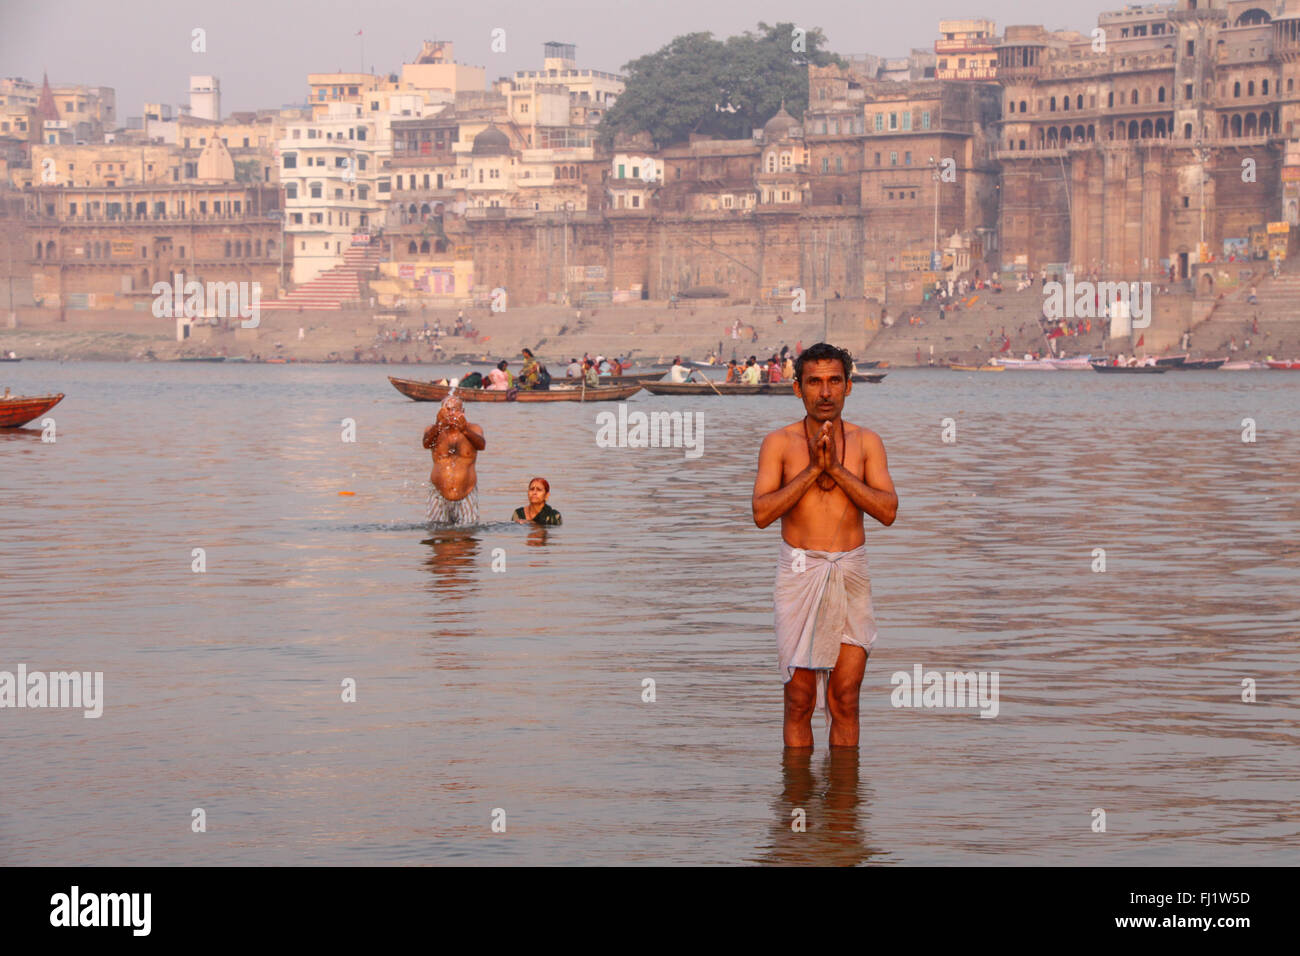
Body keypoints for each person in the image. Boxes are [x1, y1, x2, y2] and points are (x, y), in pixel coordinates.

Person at [751, 342, 898, 749]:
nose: (826, 392)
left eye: (835, 381)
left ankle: (841, 811)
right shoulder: (778, 444)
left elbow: (888, 511)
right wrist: (814, 470)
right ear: (798, 389)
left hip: (850, 570)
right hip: (799, 571)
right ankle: (798, 803)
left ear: (849, 386)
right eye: (814, 382)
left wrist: (836, 469)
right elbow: (761, 514)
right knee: (799, 700)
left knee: (845, 699)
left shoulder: (867, 442)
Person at [423, 394, 486, 525]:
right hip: (438, 493)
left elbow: (481, 445)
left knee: (467, 538)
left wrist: (465, 430)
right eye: (447, 409)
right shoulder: (433, 430)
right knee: (438, 537)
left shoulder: (474, 428)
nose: (451, 413)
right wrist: (438, 425)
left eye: (455, 409)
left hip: (467, 492)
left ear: (463, 412)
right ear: (441, 411)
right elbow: (426, 443)